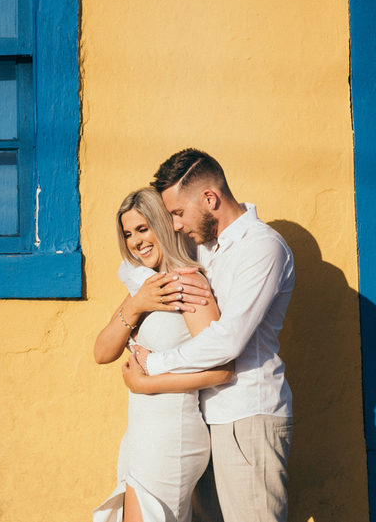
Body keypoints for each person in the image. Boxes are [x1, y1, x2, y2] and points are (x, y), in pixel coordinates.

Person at [122, 149, 295, 522]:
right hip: (206, 419)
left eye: (179, 214)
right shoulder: (206, 247)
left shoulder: (261, 247)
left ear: (210, 199)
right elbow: (140, 256)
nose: (177, 226)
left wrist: (154, 366)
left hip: (248, 414)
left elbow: (228, 339)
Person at [93, 187, 234, 522]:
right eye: (128, 234)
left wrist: (146, 384)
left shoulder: (188, 282)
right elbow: (101, 352)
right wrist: (137, 303)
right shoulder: (147, 287)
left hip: (171, 433)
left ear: (163, 224)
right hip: (140, 433)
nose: (136, 241)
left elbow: (222, 369)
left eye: (143, 229)